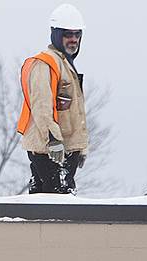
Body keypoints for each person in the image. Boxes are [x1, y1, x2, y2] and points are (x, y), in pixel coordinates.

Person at [16, 4, 89, 194]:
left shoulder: (66, 65)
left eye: (77, 34)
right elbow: (42, 106)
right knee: (57, 202)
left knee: (49, 200)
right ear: (56, 34)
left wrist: (80, 147)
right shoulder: (46, 64)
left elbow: (74, 113)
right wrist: (53, 140)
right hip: (50, 150)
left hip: (65, 149)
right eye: (67, 34)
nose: (73, 39)